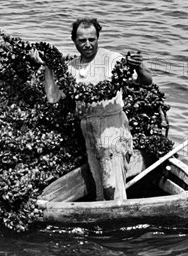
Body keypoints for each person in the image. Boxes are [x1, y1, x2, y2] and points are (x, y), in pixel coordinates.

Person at [33, 18, 153, 201]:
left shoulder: (113, 59)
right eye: (82, 40)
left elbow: (145, 81)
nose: (88, 44)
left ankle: (118, 214)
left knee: (112, 186)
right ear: (74, 41)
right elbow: (53, 97)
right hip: (88, 129)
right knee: (100, 185)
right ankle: (106, 219)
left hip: (112, 128)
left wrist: (139, 65)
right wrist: (47, 66)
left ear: (98, 38)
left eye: (92, 39)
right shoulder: (71, 67)